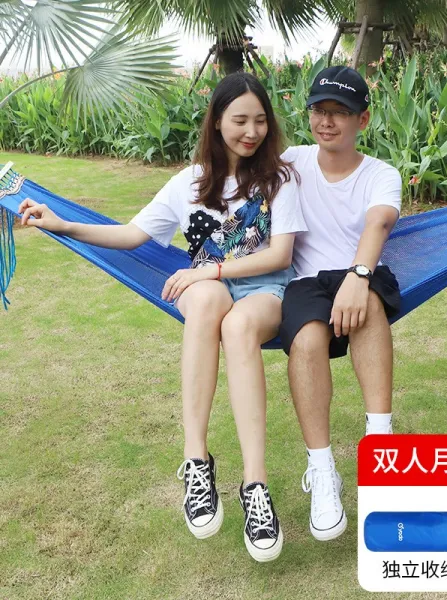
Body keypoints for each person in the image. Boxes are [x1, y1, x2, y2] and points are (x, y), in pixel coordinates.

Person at [17, 72, 307, 562]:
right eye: (240, 120)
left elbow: (280, 255)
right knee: (208, 300)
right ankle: (196, 461)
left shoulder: (279, 180)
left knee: (237, 322)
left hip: (264, 287)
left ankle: (255, 485)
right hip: (207, 289)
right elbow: (131, 236)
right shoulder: (188, 184)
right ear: (217, 122)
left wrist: (212, 268)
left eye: (260, 120)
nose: (251, 131)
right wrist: (62, 223)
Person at [280, 66, 402, 541]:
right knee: (307, 340)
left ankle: (380, 447)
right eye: (318, 110)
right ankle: (322, 470)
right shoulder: (291, 163)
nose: (326, 121)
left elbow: (378, 224)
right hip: (307, 282)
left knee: (368, 303)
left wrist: (359, 274)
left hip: (361, 272)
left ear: (362, 120)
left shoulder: (380, 174)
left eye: (340, 112)